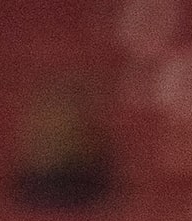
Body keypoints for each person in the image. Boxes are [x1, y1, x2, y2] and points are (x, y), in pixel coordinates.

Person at [13, 77, 116, 211]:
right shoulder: (22, 192)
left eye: (67, 124)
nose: (57, 129)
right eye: (49, 123)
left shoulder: (101, 192)